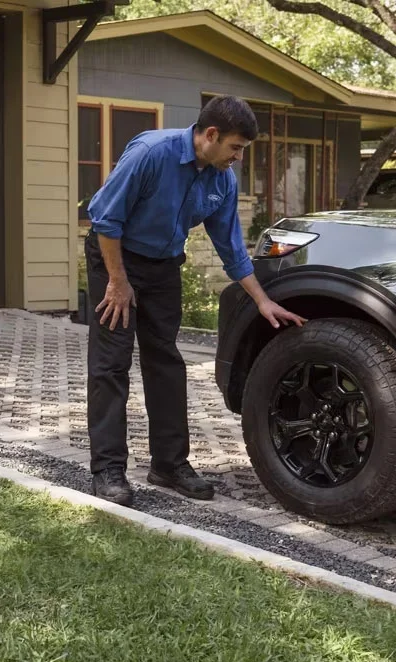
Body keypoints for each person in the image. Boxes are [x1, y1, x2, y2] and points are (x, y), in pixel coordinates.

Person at [85, 95, 306, 507]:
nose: (238, 158)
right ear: (210, 135)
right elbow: (105, 219)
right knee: (111, 364)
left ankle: (168, 464)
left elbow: (232, 248)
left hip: (163, 264)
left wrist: (261, 301)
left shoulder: (221, 178)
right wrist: (118, 282)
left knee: (166, 361)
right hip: (114, 256)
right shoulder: (152, 154)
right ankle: (108, 470)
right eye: (236, 148)